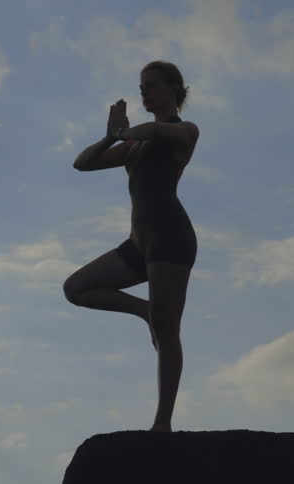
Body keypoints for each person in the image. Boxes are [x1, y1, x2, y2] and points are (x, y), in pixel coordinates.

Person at [63, 61, 198, 433]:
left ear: (173, 88)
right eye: (141, 86)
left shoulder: (184, 130)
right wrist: (111, 137)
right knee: (76, 288)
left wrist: (124, 132)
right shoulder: (133, 144)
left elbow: (157, 129)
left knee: (168, 330)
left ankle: (162, 423)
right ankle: (144, 310)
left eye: (151, 86)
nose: (143, 92)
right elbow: (81, 164)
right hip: (139, 242)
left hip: (170, 238)